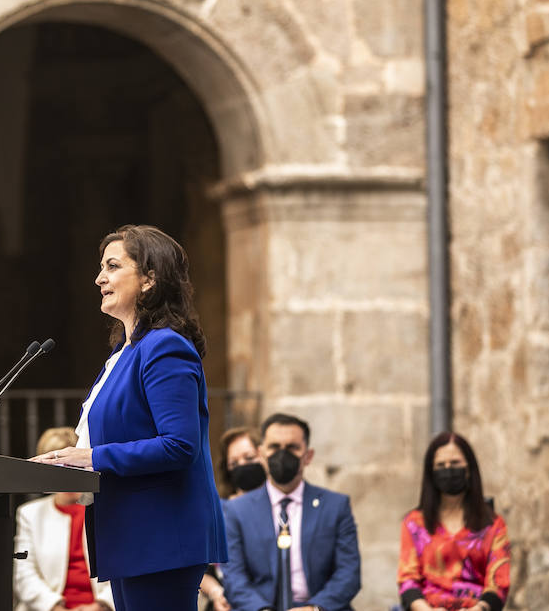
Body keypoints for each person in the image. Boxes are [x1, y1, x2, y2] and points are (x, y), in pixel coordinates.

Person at [34, 224, 227, 611]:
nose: (99, 278)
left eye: (113, 266)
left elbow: (179, 445)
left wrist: (90, 458)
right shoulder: (124, 353)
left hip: (160, 536)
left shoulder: (165, 347)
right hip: (130, 532)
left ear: (149, 279)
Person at [221, 413, 361, 611]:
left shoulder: (335, 506)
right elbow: (234, 578)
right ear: (261, 454)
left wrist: (314, 608)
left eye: (292, 447)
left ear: (308, 456)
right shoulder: (236, 510)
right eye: (274, 447)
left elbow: (349, 574)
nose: (282, 454)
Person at [397, 432, 509, 611]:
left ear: (469, 468)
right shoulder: (414, 523)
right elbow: (408, 580)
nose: (448, 469)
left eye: (455, 463)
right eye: (441, 465)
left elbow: (499, 582)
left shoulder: (493, 525)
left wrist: (478, 609)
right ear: (431, 472)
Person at [14, 426, 114, 611]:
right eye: (58, 468)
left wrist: (101, 606)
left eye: (73, 466)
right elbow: (24, 573)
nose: (65, 474)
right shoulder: (30, 514)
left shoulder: (107, 510)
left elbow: (122, 567)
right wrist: (53, 607)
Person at [200, 426, 265, 610]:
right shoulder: (218, 512)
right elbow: (200, 570)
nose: (243, 465)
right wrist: (216, 592)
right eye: (234, 464)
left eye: (249, 458)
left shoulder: (285, 506)